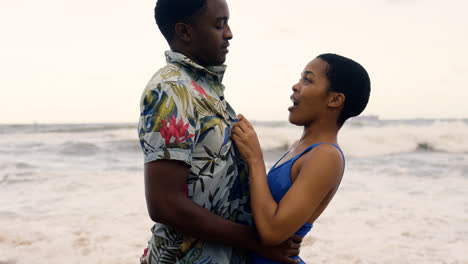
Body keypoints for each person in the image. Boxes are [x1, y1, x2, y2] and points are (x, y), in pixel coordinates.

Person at [137, 0, 301, 263]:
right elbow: (164, 204)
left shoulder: (204, 89)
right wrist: (257, 242)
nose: (229, 33)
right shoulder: (172, 88)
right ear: (185, 32)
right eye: (219, 24)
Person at [232, 54, 371, 263]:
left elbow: (272, 231)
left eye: (308, 80)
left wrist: (255, 159)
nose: (296, 87)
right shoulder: (298, 147)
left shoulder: (326, 155)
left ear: (334, 99)